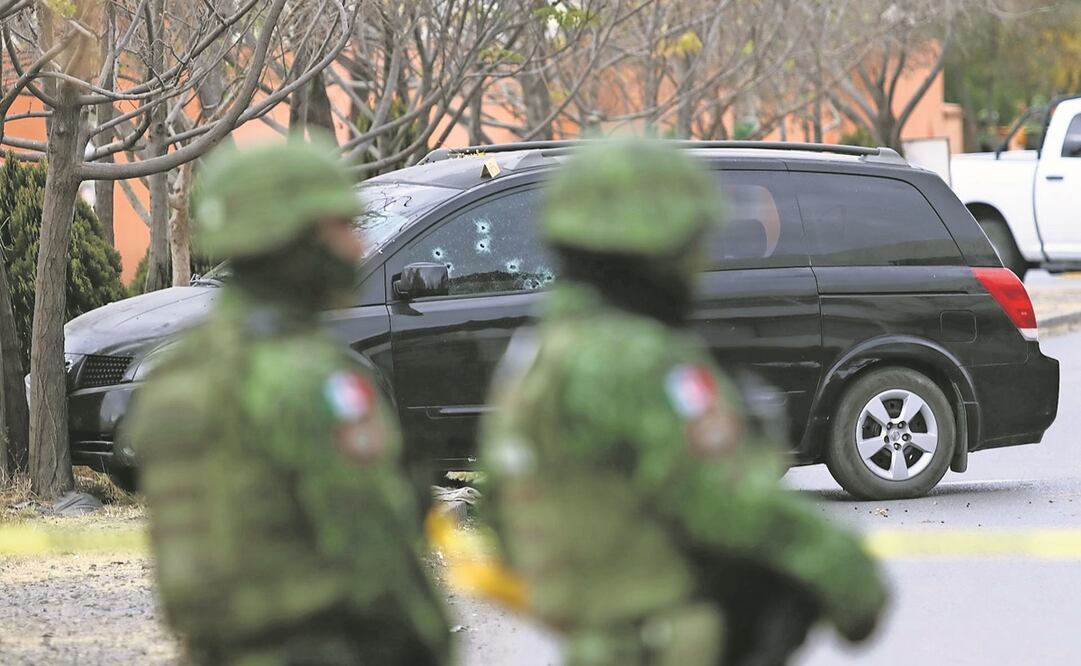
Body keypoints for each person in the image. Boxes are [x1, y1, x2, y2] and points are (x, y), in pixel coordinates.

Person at [480, 139, 888, 666]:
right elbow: (730, 502)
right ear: (653, 246)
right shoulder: (633, 358)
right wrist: (851, 580)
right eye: (691, 240)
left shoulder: (539, 351)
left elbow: (499, 512)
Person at [126, 140, 452, 666]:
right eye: (339, 229)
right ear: (292, 242)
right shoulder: (311, 380)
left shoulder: (178, 372)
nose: (355, 248)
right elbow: (377, 561)